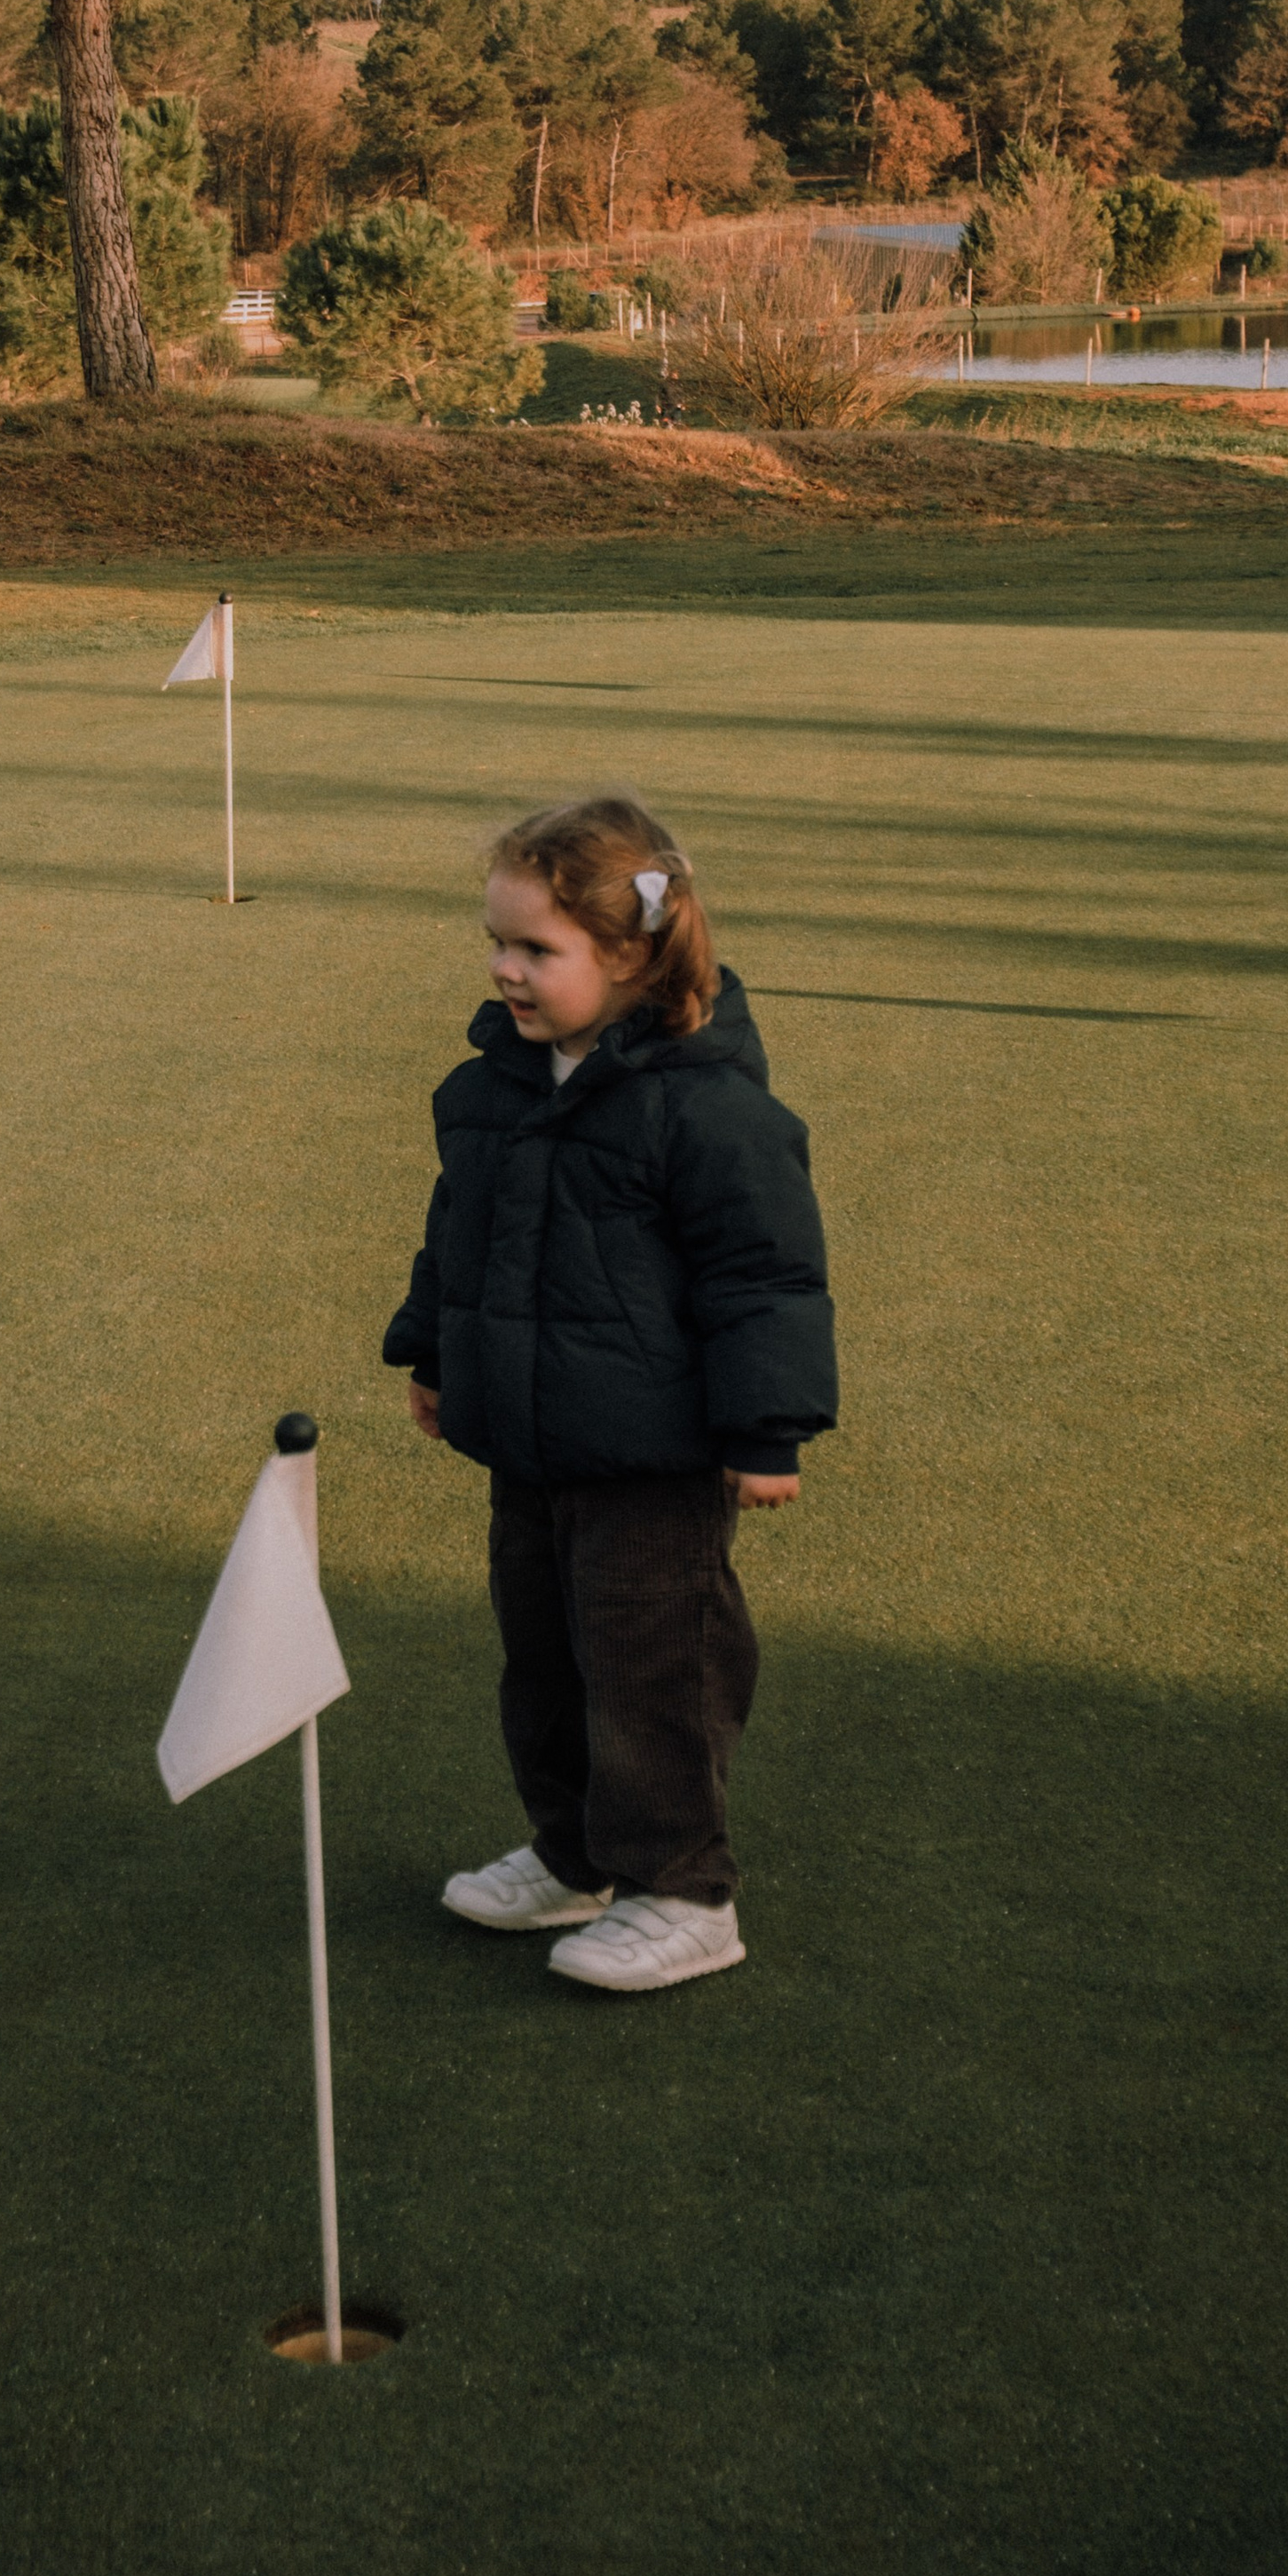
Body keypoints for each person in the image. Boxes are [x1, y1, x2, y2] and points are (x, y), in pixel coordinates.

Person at [383, 795, 836, 1995]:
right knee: (544, 1658)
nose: (504, 969)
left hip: (653, 1455)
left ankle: (684, 1890)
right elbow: (457, 1237)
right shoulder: (492, 1089)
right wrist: (434, 1355)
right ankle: (575, 1854)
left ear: (631, 955)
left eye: (537, 950)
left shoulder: (708, 1105)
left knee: (654, 1668)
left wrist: (764, 1429)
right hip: (531, 1445)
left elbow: (765, 1275)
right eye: (498, 942)